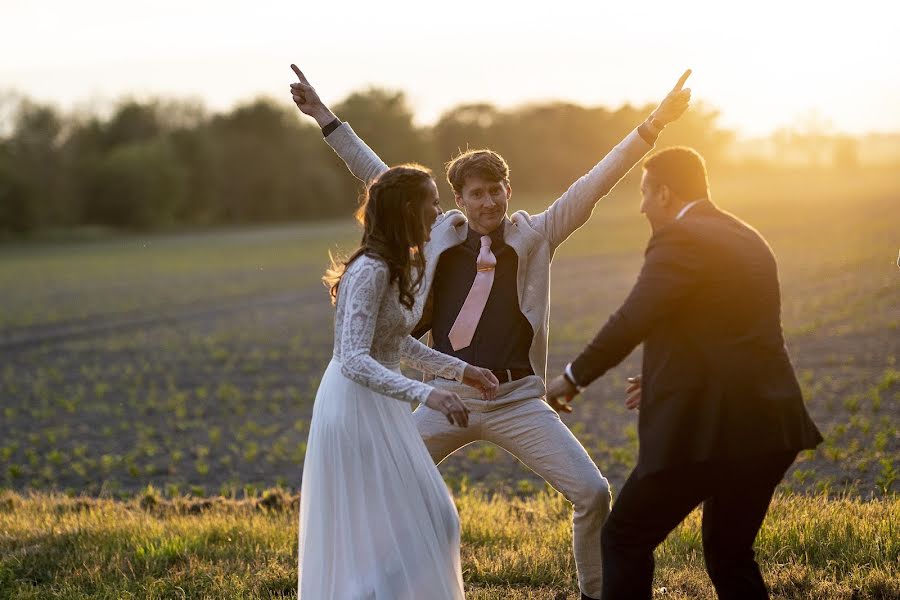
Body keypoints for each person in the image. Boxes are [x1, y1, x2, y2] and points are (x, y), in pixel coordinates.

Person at [290, 64, 690, 600]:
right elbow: (379, 176)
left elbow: (597, 180)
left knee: (593, 493)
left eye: (497, 191)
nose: (489, 203)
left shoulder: (539, 233)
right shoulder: (436, 233)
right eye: (476, 194)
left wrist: (654, 125)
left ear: (508, 190)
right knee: (379, 488)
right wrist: (324, 117)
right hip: (444, 399)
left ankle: (595, 595)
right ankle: (375, 588)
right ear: (457, 200)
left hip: (516, 399)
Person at [545, 146, 823, 599]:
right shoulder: (744, 234)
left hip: (709, 432)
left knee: (624, 536)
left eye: (644, 194)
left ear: (666, 194)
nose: (640, 206)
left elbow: (637, 315)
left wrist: (574, 377)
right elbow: (723, 333)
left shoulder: (681, 237)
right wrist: (658, 380)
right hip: (771, 427)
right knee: (729, 551)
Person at [296, 161, 499, 599]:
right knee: (423, 520)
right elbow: (353, 358)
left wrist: (461, 369)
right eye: (433, 202)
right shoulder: (370, 269)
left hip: (381, 402)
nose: (439, 213)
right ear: (409, 208)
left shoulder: (394, 263)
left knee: (424, 522)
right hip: (354, 407)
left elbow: (394, 342)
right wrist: (430, 393)